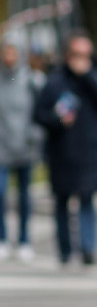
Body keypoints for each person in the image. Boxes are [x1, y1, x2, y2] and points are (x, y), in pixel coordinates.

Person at [34, 32, 97, 265]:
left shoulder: (95, 78)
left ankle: (88, 248)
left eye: (85, 55)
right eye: (77, 54)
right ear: (68, 55)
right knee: (62, 202)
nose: (81, 59)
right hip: (62, 153)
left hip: (88, 152)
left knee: (87, 200)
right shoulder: (55, 82)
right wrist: (58, 121)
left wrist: (86, 76)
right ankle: (65, 250)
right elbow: (39, 114)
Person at [0, 38, 43, 262]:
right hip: (2, 147)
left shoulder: (31, 80)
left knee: (24, 196)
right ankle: (2, 238)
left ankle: (24, 240)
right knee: (1, 193)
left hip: (25, 147)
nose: (9, 57)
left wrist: (34, 136)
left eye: (13, 52)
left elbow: (39, 112)